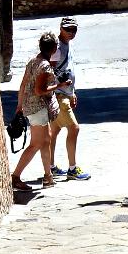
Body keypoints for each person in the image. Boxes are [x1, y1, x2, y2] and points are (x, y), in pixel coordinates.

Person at [11, 31, 60, 192]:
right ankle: (16, 177)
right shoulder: (44, 65)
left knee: (47, 139)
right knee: (36, 144)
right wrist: (60, 85)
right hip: (38, 108)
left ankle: (48, 176)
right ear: (53, 48)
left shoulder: (33, 61)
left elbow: (23, 85)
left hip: (31, 107)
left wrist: (20, 105)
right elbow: (40, 90)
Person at [50, 16, 91, 180]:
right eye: (68, 30)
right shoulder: (57, 47)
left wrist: (72, 92)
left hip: (65, 94)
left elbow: (68, 68)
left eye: (74, 30)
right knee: (74, 129)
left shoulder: (67, 43)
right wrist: (62, 89)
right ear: (61, 29)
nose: (72, 33)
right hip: (59, 96)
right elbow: (49, 71)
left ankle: (51, 167)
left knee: (55, 130)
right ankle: (72, 169)